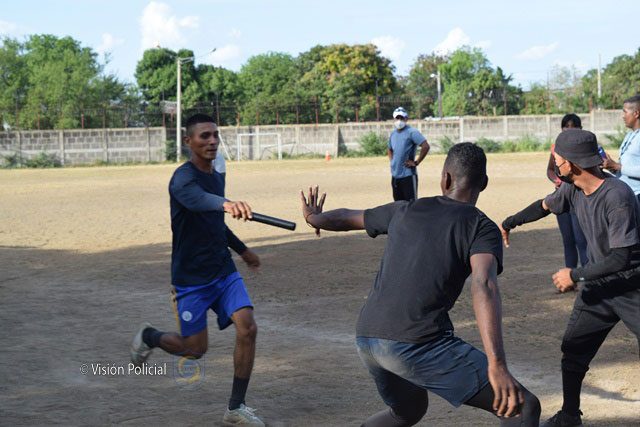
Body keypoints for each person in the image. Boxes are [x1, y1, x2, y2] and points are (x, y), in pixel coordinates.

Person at [301, 143, 541, 426]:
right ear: (484, 183)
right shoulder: (481, 227)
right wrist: (497, 364)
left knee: (409, 410)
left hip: (368, 337)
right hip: (415, 342)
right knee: (523, 407)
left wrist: (314, 218)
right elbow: (484, 284)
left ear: (445, 179)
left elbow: (346, 217)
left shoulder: (405, 209)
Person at [130, 113, 265, 426]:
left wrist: (242, 250)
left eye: (215, 135)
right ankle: (150, 336)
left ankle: (235, 408)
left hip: (223, 270)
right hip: (191, 279)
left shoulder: (217, 173)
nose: (212, 141)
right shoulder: (182, 180)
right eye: (204, 136)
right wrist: (226, 203)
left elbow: (214, 222)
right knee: (194, 349)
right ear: (188, 141)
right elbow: (199, 201)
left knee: (248, 327)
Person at [500, 129, 640, 427]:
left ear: (573, 164)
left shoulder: (618, 196)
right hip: (599, 287)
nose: (555, 165)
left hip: (632, 286)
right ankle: (570, 415)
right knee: (574, 348)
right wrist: (509, 223)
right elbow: (544, 206)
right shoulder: (572, 188)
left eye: (558, 160)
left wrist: (574, 274)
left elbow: (621, 258)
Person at [546, 114, 588, 270]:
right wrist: (556, 180)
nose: (570, 129)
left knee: (581, 240)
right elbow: (550, 170)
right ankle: (570, 275)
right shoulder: (556, 148)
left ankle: (587, 276)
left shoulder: (585, 147)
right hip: (562, 199)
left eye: (574, 126)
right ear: (561, 128)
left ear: (580, 128)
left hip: (579, 198)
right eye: (566, 126)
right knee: (568, 240)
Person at [602, 94, 640, 203]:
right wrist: (611, 167)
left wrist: (617, 166)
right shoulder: (629, 135)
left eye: (625, 112)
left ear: (636, 113)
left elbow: (621, 167)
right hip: (628, 194)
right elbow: (624, 169)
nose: (623, 116)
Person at [387, 107, 430, 201]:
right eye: (397, 118)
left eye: (402, 118)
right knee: (398, 204)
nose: (399, 120)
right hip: (395, 176)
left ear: (406, 119)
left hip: (408, 176)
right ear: (394, 119)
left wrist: (416, 162)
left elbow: (425, 146)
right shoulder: (393, 134)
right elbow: (389, 149)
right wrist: (392, 162)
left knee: (411, 204)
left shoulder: (412, 132)